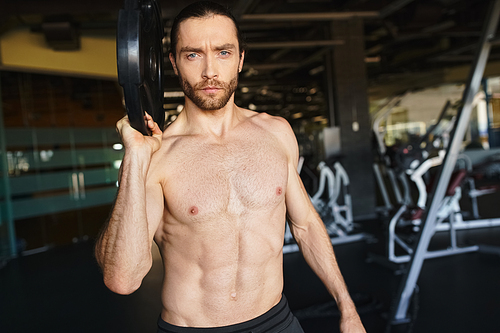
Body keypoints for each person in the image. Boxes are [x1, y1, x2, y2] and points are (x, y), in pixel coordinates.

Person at [95, 1, 366, 332]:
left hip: (278, 322)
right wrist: (135, 157)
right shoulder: (158, 156)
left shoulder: (277, 133)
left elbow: (306, 224)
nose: (210, 70)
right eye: (193, 54)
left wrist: (347, 307)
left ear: (240, 60)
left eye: (223, 53)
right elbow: (123, 278)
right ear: (173, 64)